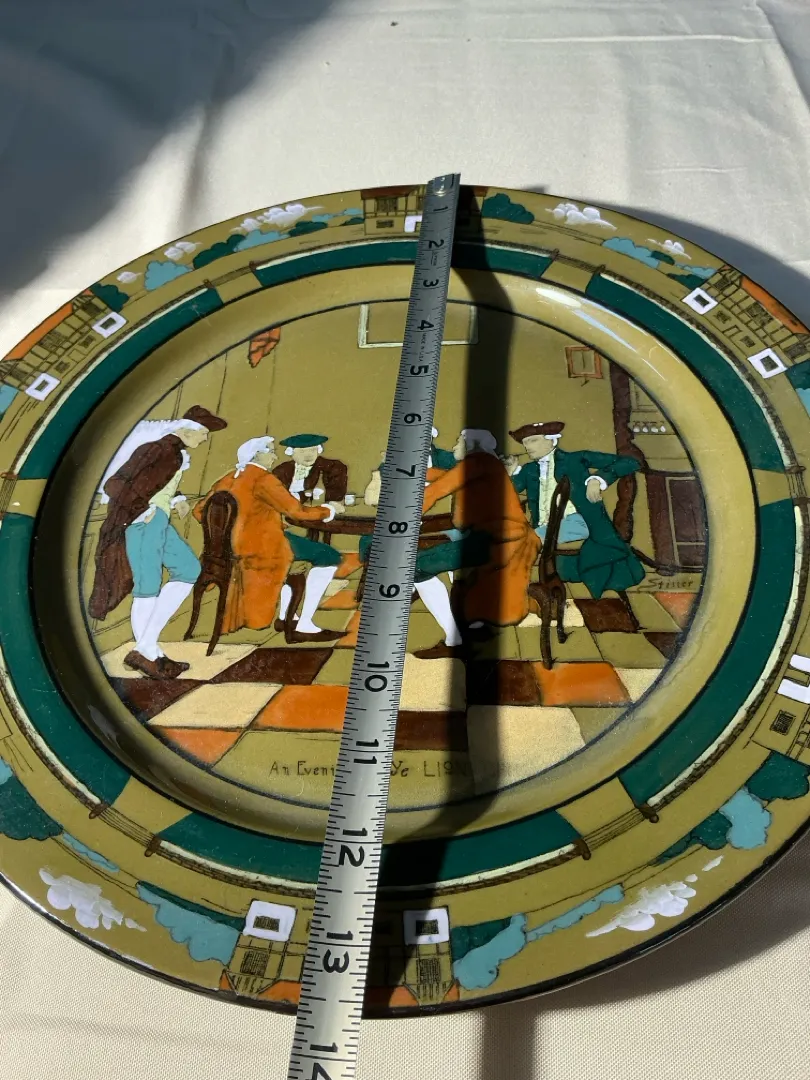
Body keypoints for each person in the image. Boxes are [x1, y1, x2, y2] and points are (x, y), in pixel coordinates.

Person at [89, 405, 227, 679]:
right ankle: (149, 654)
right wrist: (144, 509)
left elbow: (155, 483)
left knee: (188, 569)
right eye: (203, 432)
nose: (205, 438)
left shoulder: (174, 453)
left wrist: (176, 499)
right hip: (142, 522)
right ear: (187, 430)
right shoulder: (157, 449)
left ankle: (145, 648)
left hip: (159, 520)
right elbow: (115, 484)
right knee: (148, 584)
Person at [194, 437, 347, 641]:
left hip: (228, 548)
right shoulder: (263, 479)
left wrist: (234, 530)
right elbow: (296, 512)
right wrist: (328, 510)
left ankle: (286, 617)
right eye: (271, 452)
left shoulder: (229, 478)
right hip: (264, 546)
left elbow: (199, 511)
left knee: (302, 548)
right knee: (329, 556)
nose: (274, 457)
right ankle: (305, 625)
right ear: (258, 455)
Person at [414, 428, 541, 654]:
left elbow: (436, 491)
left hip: (498, 541)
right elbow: (442, 478)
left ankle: (454, 638)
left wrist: (404, 516)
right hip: (506, 538)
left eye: (458, 442)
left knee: (415, 567)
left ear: (471, 445)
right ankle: (467, 625)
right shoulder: (486, 464)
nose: (454, 446)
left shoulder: (477, 462)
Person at [507, 422, 645, 598]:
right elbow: (509, 492)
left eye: (533, 440)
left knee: (524, 541)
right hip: (546, 528)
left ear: (552, 440)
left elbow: (631, 462)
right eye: (525, 442)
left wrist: (598, 479)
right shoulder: (529, 469)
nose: (527, 447)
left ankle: (514, 591)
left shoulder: (576, 459)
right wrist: (511, 473)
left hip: (579, 523)